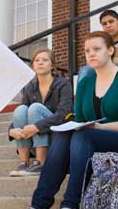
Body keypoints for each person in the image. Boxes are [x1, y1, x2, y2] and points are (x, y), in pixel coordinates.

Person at [8, 31, 118, 209]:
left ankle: (71, 206)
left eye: (97, 49)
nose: (91, 54)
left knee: (84, 136)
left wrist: (99, 128)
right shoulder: (86, 83)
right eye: (87, 51)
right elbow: (78, 117)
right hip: (97, 142)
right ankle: (39, 207)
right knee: (67, 134)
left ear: (111, 50)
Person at [8, 48, 73, 177]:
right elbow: (21, 114)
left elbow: (64, 114)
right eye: (37, 60)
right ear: (32, 65)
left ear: (52, 65)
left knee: (34, 108)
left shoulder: (63, 84)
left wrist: (37, 126)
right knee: (21, 110)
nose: (40, 63)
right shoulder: (30, 87)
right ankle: (23, 163)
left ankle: (41, 162)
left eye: (45, 60)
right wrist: (11, 130)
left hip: (56, 135)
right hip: (34, 138)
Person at [77, 9, 118, 80]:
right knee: (85, 70)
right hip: (107, 72)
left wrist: (107, 62)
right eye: (104, 24)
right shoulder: (102, 42)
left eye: (111, 22)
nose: (108, 25)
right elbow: (95, 61)